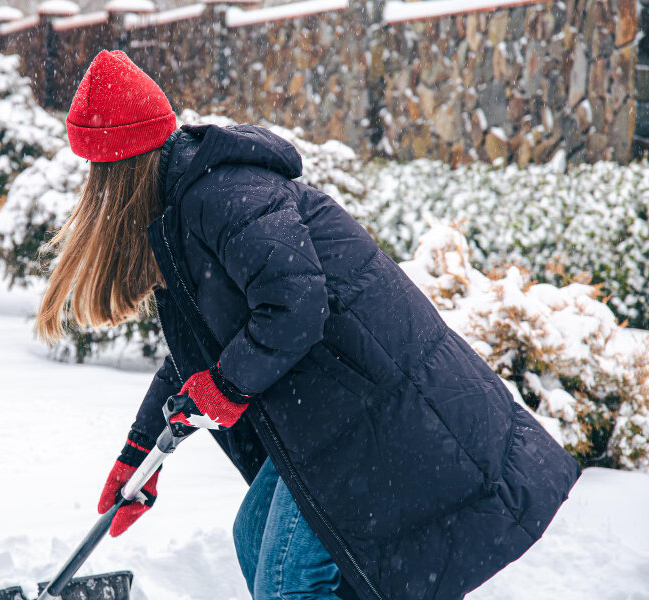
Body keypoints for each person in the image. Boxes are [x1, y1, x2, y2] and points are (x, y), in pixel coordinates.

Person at [35, 49, 581, 600]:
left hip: (375, 410)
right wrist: (139, 449)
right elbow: (195, 356)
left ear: (120, 169)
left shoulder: (222, 196)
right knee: (254, 541)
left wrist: (226, 386)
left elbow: (295, 303)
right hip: (332, 413)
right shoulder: (181, 209)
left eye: (96, 172)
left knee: (289, 579)